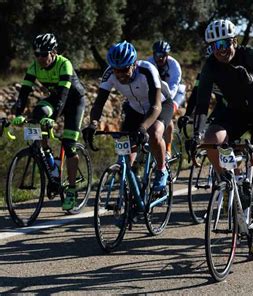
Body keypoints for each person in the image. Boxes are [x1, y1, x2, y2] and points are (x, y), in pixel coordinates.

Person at [192, 19, 253, 254]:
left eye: (224, 43)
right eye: (213, 45)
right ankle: (227, 181)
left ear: (234, 41)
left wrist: (252, 77)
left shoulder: (249, 54)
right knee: (210, 139)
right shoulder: (210, 66)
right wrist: (195, 134)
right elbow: (201, 105)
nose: (220, 49)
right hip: (237, 112)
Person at [83, 41, 173, 194]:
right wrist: (93, 124)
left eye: (124, 69)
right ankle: (134, 191)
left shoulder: (147, 70)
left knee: (155, 133)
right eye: (116, 70)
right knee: (125, 152)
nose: (120, 75)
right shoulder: (109, 74)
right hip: (135, 108)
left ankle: (161, 169)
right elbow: (98, 104)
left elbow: (155, 106)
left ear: (133, 65)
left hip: (160, 104)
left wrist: (143, 127)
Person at [11, 33, 86, 211]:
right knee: (38, 113)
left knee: (69, 145)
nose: (40, 58)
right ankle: (47, 156)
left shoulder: (64, 64)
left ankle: (72, 190)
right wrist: (17, 112)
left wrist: (51, 119)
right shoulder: (34, 67)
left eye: (44, 54)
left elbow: (63, 97)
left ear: (53, 52)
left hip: (73, 102)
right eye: (36, 54)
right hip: (56, 99)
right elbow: (24, 93)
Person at [147, 40, 186, 155]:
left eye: (162, 55)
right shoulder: (149, 63)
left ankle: (168, 148)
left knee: (167, 115)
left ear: (167, 55)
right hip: (159, 91)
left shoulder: (174, 65)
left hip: (175, 93)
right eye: (157, 55)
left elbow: (173, 87)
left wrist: (165, 103)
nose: (159, 58)